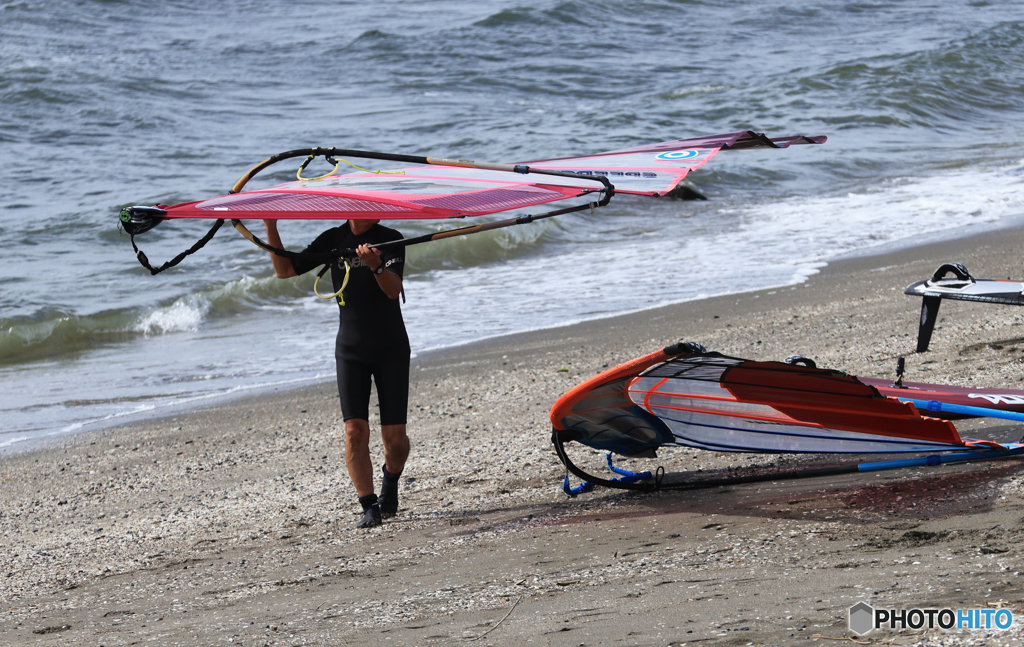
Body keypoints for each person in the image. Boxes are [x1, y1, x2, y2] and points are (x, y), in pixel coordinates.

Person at [263, 218, 410, 529]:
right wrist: (270, 224)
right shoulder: (333, 239)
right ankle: (369, 505)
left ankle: (391, 480)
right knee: (354, 432)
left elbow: (393, 291)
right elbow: (284, 270)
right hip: (351, 350)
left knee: (394, 440)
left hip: (391, 348)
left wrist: (377, 266)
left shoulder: (390, 239)